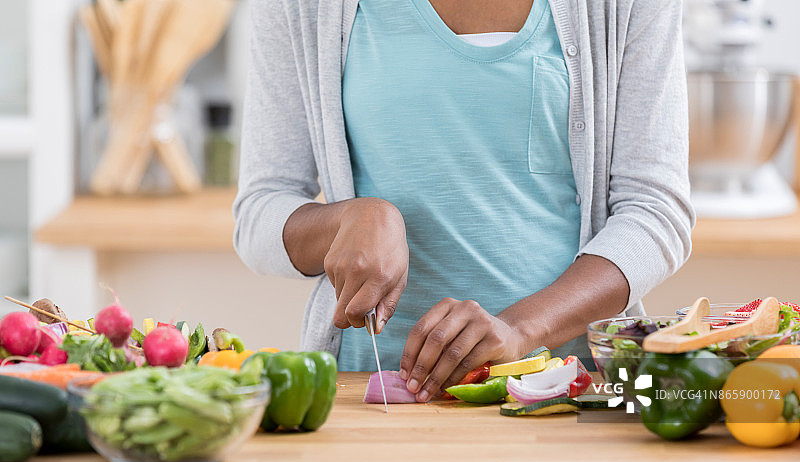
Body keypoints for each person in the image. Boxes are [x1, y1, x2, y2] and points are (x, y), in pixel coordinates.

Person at [234, 0, 694, 402]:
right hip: (370, 389)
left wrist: (520, 329)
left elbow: (655, 211)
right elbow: (259, 210)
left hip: (573, 389)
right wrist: (350, 219)